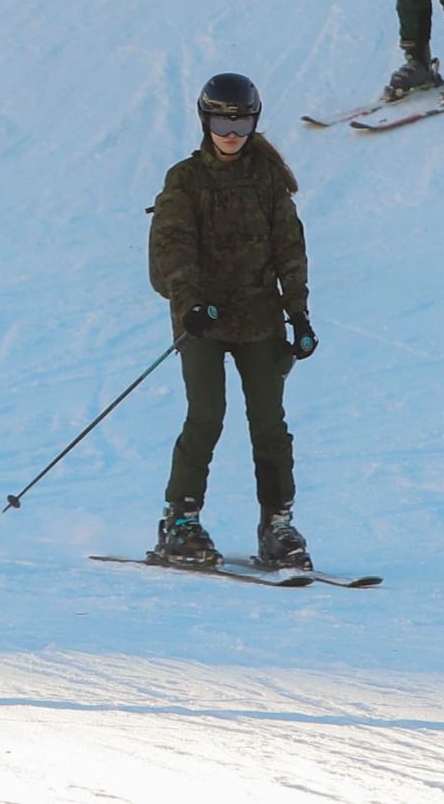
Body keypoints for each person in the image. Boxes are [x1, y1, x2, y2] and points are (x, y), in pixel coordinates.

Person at [147, 73, 320, 569]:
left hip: (260, 319)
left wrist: (298, 314)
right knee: (206, 415)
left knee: (269, 424)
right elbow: (173, 246)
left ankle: (278, 524)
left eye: (241, 119)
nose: (232, 131)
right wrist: (190, 305)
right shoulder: (185, 178)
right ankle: (180, 520)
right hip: (203, 320)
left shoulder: (267, 179)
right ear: (205, 120)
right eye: (222, 119)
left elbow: (290, 248)